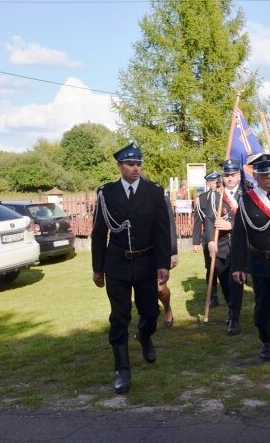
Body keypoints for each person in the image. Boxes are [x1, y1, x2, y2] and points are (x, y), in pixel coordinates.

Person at [91, 142, 171, 394]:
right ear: (120, 166)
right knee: (119, 317)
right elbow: (98, 233)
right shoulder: (106, 193)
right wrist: (97, 268)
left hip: (146, 263)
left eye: (138, 164)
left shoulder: (154, 192)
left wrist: (163, 264)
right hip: (116, 264)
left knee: (150, 313)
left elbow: (161, 230)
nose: (136, 169)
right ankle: (122, 370)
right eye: (130, 164)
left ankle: (145, 337)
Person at [230, 153, 270, 378]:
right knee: (262, 310)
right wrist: (238, 266)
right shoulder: (247, 200)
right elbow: (239, 236)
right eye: (264, 174)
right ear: (256, 176)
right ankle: (265, 340)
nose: (269, 177)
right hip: (260, 263)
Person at [202, 160, 244, 335]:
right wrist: (210, 240)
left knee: (236, 281)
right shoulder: (216, 196)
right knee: (224, 281)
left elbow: (247, 219)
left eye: (233, 175)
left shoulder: (246, 195)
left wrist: (231, 225)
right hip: (220, 245)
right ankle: (230, 307)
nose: (230, 178)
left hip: (240, 244)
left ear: (239, 176)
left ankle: (234, 317)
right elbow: (210, 219)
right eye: (227, 175)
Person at [193, 171, 221, 308]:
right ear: (209, 183)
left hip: (225, 237)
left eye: (218, 180)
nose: (216, 183)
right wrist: (196, 242)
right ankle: (213, 296)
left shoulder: (226, 197)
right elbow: (198, 220)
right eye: (213, 181)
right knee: (211, 268)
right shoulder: (202, 199)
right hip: (209, 238)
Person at [158, 195, 179, 328]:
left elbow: (170, 225)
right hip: (137, 253)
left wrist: (173, 251)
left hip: (158, 250)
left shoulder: (161, 199)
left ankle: (166, 308)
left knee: (159, 288)